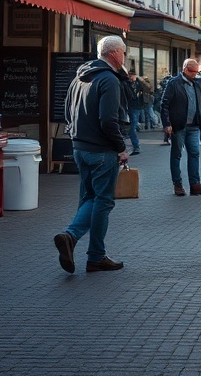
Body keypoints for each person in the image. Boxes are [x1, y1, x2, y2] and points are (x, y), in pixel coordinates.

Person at [53, 35, 130, 274]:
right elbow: (109, 120)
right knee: (102, 201)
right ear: (116, 54)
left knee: (89, 198)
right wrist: (120, 147)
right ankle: (81, 244)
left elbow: (67, 112)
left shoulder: (80, 77)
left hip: (80, 148)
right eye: (124, 53)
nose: (125, 57)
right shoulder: (108, 79)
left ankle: (88, 250)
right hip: (101, 151)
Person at [160, 58, 201, 196]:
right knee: (176, 155)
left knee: (194, 154)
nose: (195, 74)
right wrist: (167, 124)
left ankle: (195, 184)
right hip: (179, 126)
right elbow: (164, 104)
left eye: (197, 72)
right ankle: (177, 184)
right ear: (185, 69)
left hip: (194, 126)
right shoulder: (174, 83)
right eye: (192, 72)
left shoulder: (197, 83)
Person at [124, 71, 142, 155]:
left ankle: (136, 147)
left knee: (132, 128)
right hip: (133, 107)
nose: (130, 77)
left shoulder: (136, 84)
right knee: (131, 128)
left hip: (134, 107)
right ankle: (135, 146)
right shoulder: (130, 84)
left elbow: (132, 95)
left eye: (131, 76)